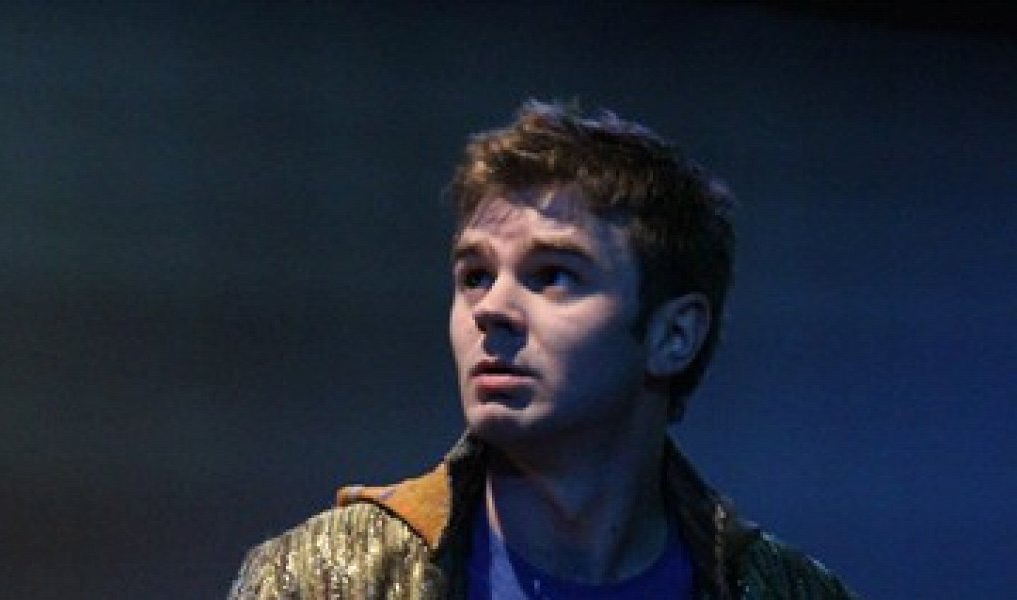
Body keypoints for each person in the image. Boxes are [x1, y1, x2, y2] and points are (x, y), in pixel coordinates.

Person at [227, 101, 858, 599]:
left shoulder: (786, 591)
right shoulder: (322, 581)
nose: (491, 308)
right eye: (475, 275)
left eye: (553, 275)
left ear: (674, 336)